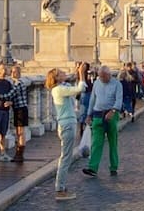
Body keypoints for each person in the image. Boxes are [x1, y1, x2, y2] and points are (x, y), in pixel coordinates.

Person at [46, 68, 84, 201]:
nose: (64, 74)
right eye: (62, 73)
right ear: (57, 77)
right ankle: (60, 189)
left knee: (66, 157)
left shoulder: (63, 87)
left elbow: (73, 87)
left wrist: (76, 74)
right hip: (66, 125)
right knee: (65, 158)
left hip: (68, 124)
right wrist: (81, 74)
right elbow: (79, 89)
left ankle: (61, 186)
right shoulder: (58, 89)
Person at [84, 66, 125, 177]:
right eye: (100, 76)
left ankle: (113, 166)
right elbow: (93, 99)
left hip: (112, 114)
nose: (101, 78)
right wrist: (89, 114)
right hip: (98, 114)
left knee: (113, 141)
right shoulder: (97, 83)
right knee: (96, 142)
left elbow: (119, 100)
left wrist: (113, 111)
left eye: (103, 77)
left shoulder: (117, 84)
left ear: (109, 75)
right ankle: (93, 167)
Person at [3, 66, 32, 162]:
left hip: (20, 110)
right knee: (19, 132)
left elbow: (10, 94)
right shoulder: (19, 83)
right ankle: (19, 154)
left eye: (14, 72)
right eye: (12, 72)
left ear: (19, 73)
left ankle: (19, 154)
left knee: (20, 132)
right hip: (19, 109)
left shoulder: (18, 84)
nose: (12, 74)